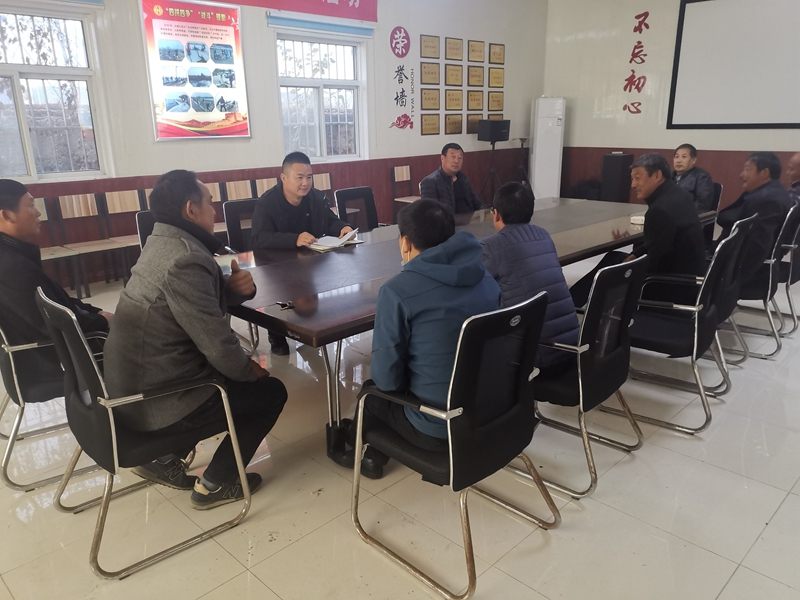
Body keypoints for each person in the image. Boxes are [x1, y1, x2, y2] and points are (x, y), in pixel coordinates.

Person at [104, 170, 288, 510]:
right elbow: (216, 344)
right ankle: (215, 484)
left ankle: (163, 458)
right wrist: (250, 371)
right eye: (210, 203)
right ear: (191, 209)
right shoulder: (185, 258)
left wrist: (231, 292)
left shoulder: (161, 241)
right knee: (270, 393)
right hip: (158, 400)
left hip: (131, 388)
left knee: (245, 381)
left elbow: (189, 309)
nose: (214, 211)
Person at [337, 199, 499, 479]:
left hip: (438, 427)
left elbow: (387, 381)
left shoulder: (397, 291)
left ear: (405, 242)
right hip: (487, 411)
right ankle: (373, 455)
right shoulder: (484, 277)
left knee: (371, 395)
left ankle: (358, 453)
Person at [0, 179, 111, 395]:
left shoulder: (14, 255)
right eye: (31, 205)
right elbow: (55, 323)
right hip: (52, 365)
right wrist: (102, 320)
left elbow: (57, 301)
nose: (38, 213)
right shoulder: (12, 267)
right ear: (7, 215)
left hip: (53, 354)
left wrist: (94, 312)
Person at [250, 151, 353, 355]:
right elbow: (258, 238)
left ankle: (314, 325)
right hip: (275, 265)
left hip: (309, 261)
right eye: (299, 177)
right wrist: (294, 239)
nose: (305, 183)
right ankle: (276, 332)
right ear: (284, 177)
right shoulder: (267, 203)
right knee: (280, 293)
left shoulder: (315, 197)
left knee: (321, 286)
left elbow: (329, 220)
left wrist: (343, 227)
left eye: (309, 177)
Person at [570, 153, 706, 307]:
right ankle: (571, 302)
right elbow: (659, 243)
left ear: (657, 176)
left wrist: (629, 267)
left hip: (670, 286)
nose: (633, 185)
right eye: (632, 179)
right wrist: (635, 254)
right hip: (690, 278)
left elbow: (655, 261)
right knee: (613, 258)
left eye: (637, 178)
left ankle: (569, 305)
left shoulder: (660, 210)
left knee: (606, 273)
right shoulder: (679, 194)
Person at [480, 182, 579, 369]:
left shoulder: (491, 246)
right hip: (571, 347)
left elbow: (472, 286)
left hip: (533, 356)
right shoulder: (543, 235)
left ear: (496, 214)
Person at [716, 151, 793, 284]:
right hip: (732, 255)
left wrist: (733, 282)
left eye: (747, 169)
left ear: (764, 173)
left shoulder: (767, 200)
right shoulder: (774, 191)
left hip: (733, 265)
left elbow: (758, 247)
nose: (741, 175)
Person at [420, 143, 484, 218]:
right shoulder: (430, 182)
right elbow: (430, 211)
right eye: (453, 157)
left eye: (460, 158)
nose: (456, 161)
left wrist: (485, 215)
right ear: (442, 158)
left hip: (470, 220)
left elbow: (477, 203)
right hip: (448, 222)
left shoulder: (463, 179)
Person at [672, 143, 715, 212]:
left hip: (687, 215)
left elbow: (702, 204)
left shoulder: (702, 177)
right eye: (676, 157)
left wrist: (680, 213)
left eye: (684, 157)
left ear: (693, 160)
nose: (678, 161)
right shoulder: (668, 177)